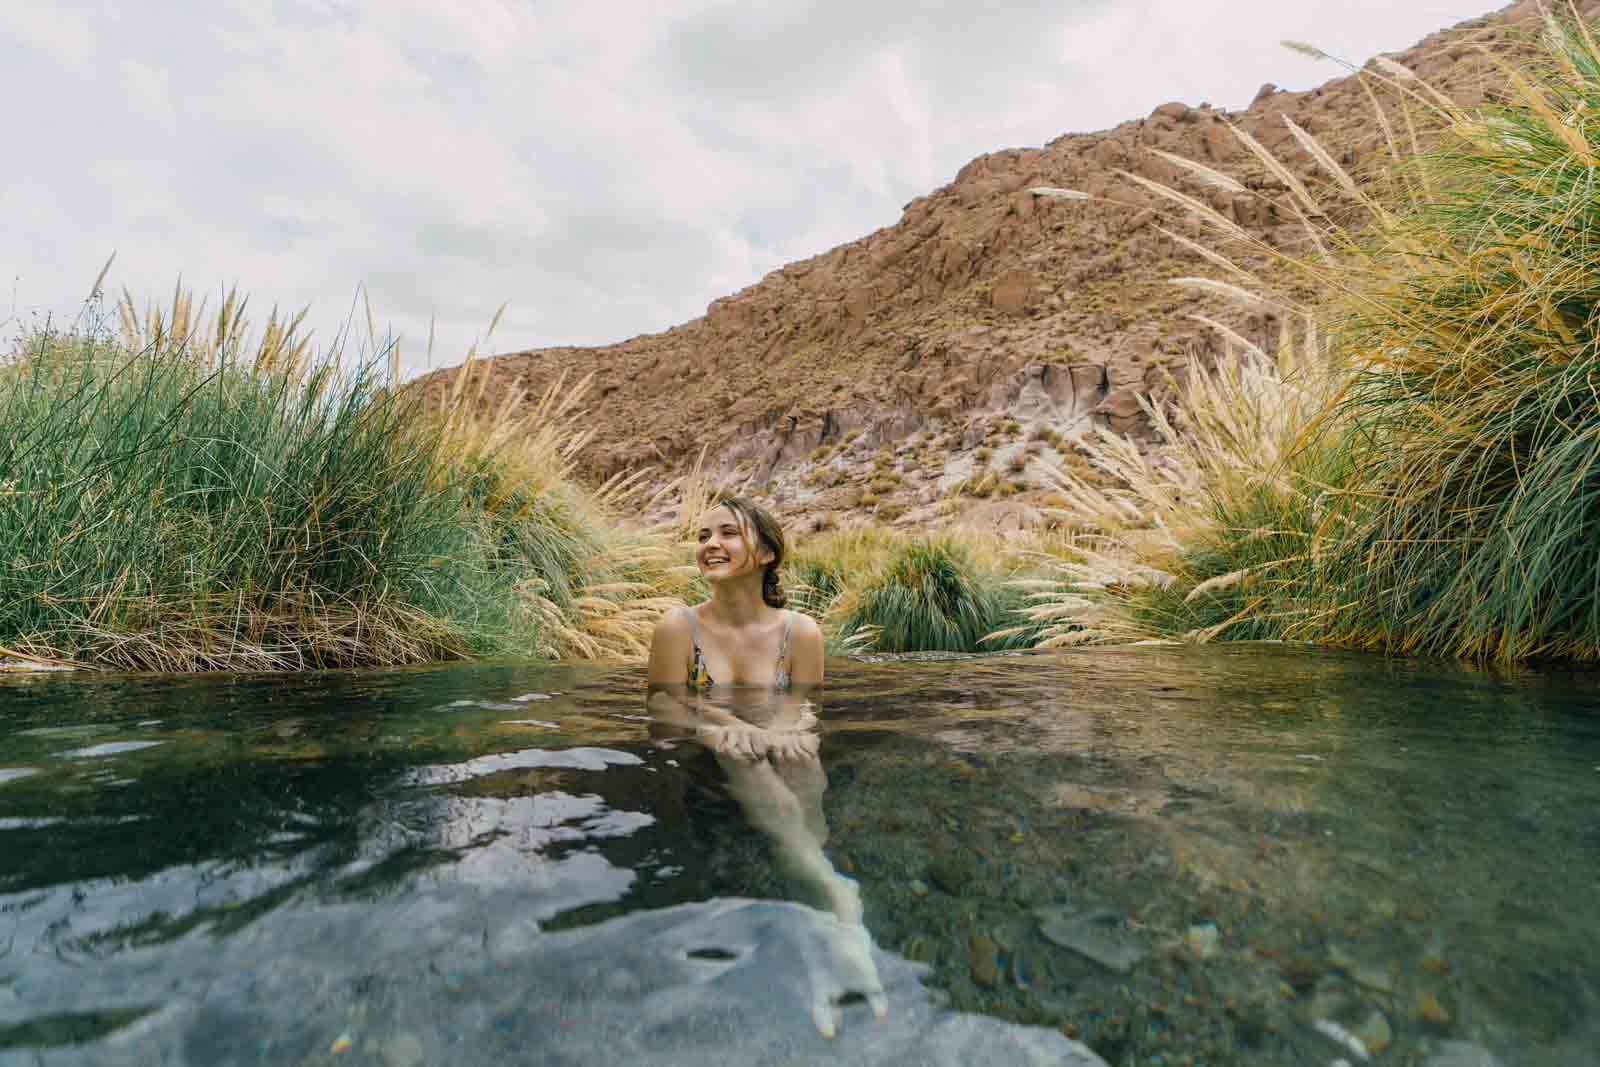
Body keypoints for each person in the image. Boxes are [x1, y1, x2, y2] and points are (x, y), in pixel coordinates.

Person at [644, 496, 885, 1034]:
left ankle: (815, 922)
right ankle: (834, 894)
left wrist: (788, 730)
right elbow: (662, 706)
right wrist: (716, 726)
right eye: (703, 535)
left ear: (768, 553)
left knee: (800, 756)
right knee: (740, 752)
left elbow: (804, 704)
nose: (710, 544)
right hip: (709, 760)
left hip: (765, 744)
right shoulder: (677, 628)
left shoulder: (800, 632)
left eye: (728, 533)